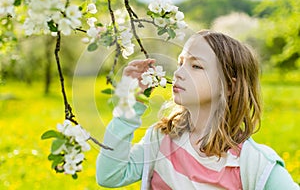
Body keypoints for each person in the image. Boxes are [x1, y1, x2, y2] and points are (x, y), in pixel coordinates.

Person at [96, 30, 299, 189]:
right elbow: (109, 175)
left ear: (229, 86)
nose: (178, 73)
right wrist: (129, 103)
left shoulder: (255, 164)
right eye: (181, 63)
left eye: (196, 66)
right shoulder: (161, 140)